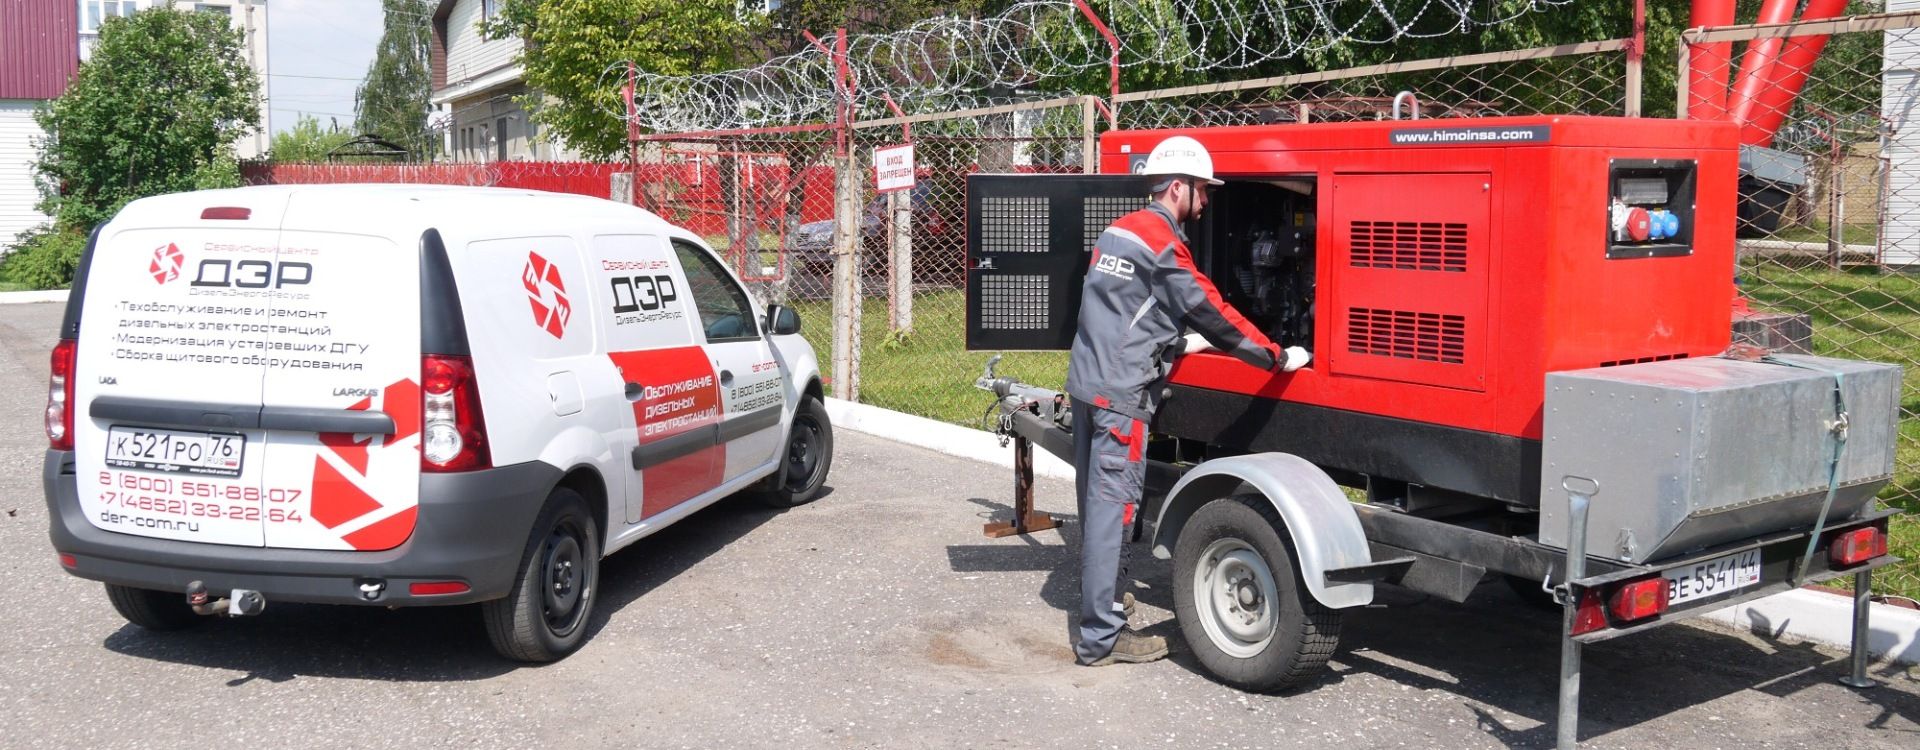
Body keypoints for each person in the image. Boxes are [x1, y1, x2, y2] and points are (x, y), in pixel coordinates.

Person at [1064, 135, 1310, 666]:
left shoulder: (1118, 230)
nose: (1206, 202)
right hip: (1121, 395)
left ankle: (1103, 602)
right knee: (1115, 510)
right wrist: (1274, 355)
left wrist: (1174, 343)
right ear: (1178, 186)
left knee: (1097, 506)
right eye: (1202, 191)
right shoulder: (1162, 244)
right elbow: (1213, 312)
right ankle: (1101, 638)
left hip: (1087, 383)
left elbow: (1120, 309)